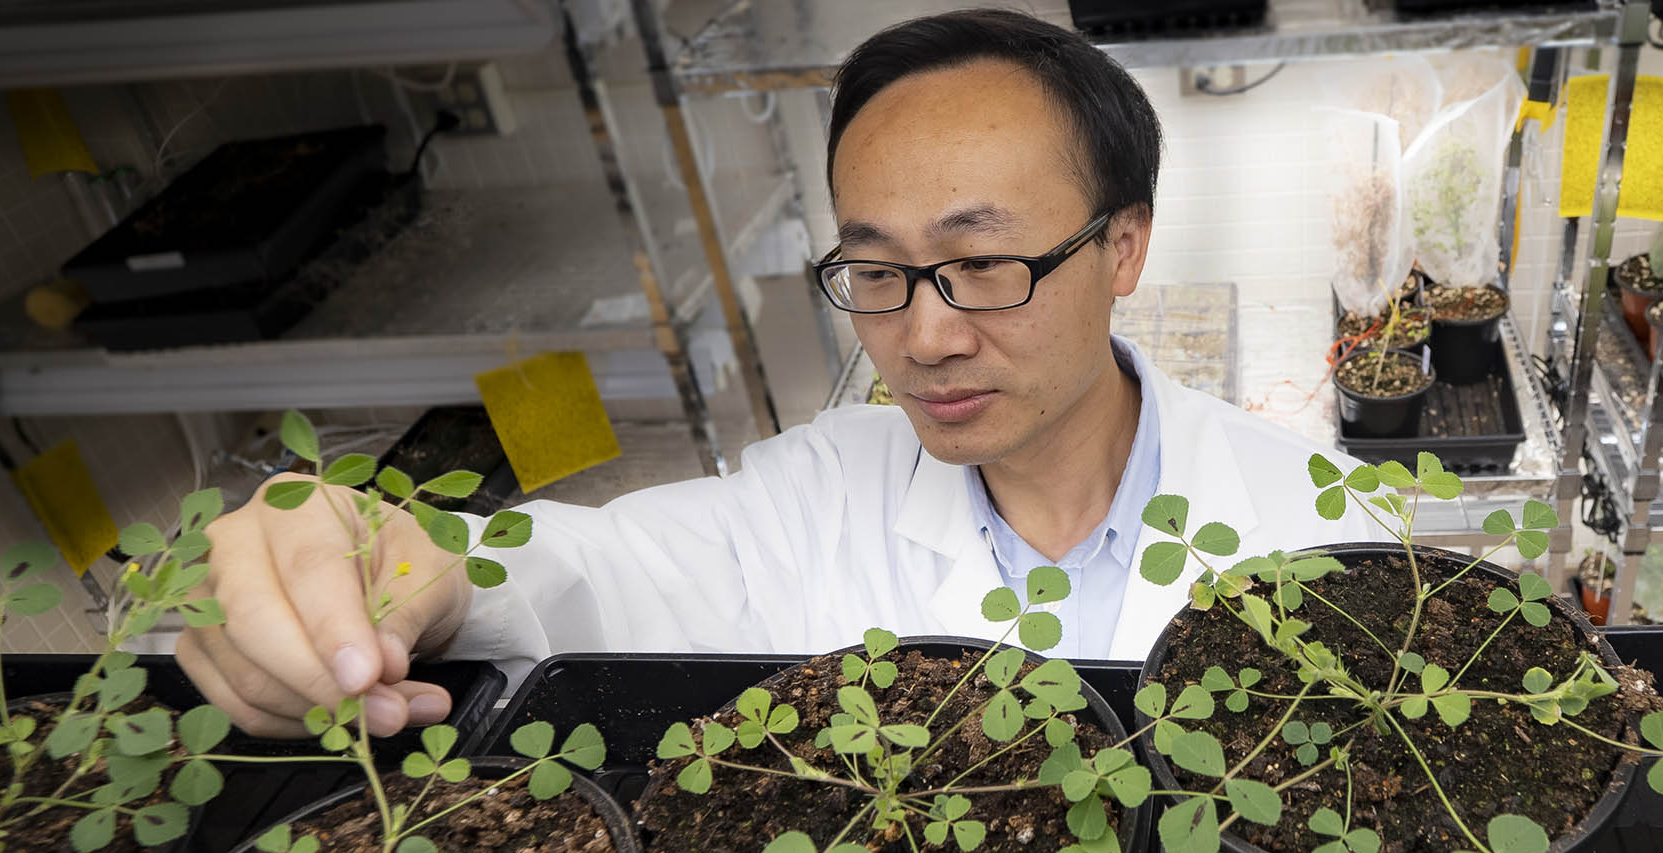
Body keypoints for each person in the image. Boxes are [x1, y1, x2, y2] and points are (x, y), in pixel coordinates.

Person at [177, 8, 1375, 739]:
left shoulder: (1319, 525)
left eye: (981, 262)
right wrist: (410, 565)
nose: (925, 336)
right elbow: (595, 573)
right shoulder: (815, 495)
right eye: (876, 270)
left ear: (1124, 246)